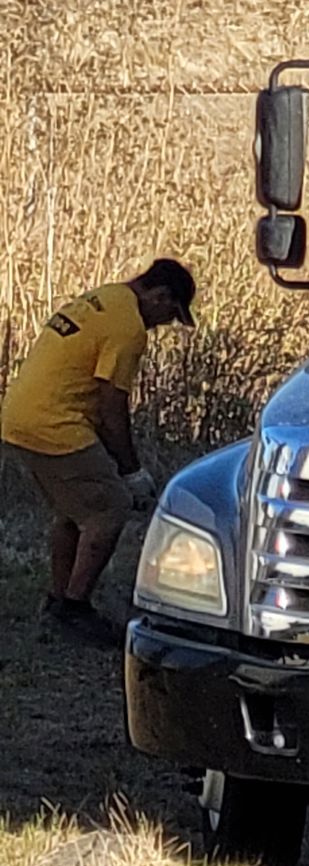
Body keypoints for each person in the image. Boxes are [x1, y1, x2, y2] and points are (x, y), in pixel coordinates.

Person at [1, 259, 196, 646]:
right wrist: (132, 471)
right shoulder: (129, 328)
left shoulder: (104, 297)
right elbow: (111, 407)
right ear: (159, 296)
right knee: (109, 509)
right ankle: (73, 610)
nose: (165, 325)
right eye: (170, 314)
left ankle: (58, 600)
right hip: (54, 424)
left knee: (75, 511)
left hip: (19, 416)